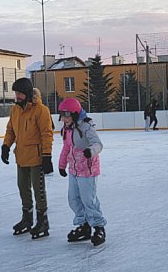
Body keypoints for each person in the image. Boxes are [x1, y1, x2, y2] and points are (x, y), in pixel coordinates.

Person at [1, 77, 54, 239]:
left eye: (20, 93)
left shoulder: (41, 110)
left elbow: (47, 134)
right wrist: (6, 146)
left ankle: (43, 221)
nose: (17, 96)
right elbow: (11, 130)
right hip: (21, 156)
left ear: (28, 93)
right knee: (23, 188)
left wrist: (47, 156)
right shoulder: (15, 109)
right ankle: (27, 219)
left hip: (37, 158)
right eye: (15, 93)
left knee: (38, 191)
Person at [57, 98, 106, 246]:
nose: (64, 118)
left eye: (66, 115)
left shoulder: (86, 127)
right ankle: (84, 226)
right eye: (62, 115)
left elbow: (98, 144)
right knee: (73, 199)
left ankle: (98, 227)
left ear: (75, 114)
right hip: (74, 170)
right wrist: (61, 164)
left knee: (88, 200)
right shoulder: (67, 128)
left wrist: (90, 151)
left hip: (88, 170)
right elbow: (66, 148)